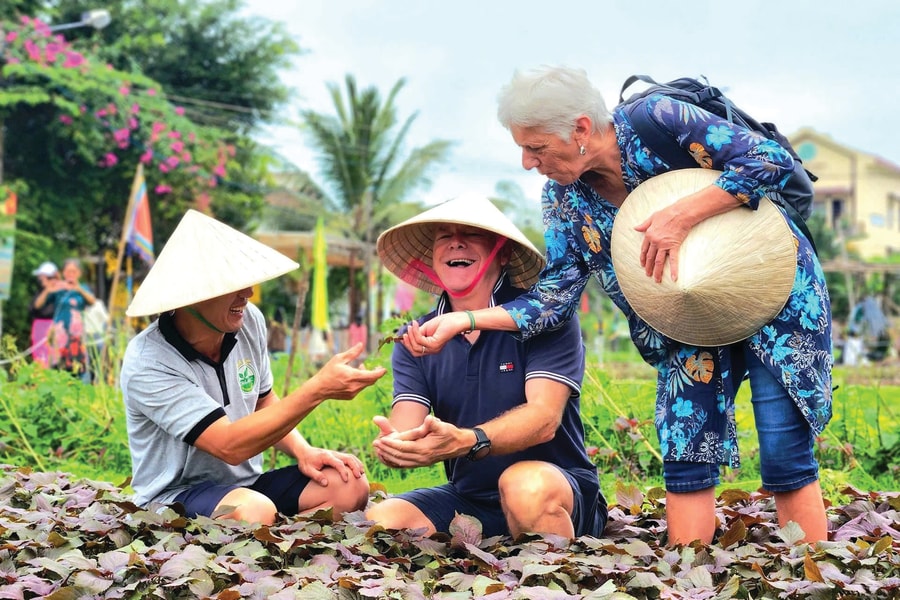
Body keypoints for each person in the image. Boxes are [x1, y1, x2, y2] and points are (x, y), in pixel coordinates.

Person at [402, 66, 833, 545]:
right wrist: (463, 319)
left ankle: (812, 575)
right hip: (683, 315)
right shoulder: (565, 198)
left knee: (782, 443)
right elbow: (553, 298)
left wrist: (680, 214)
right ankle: (688, 571)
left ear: (582, 129)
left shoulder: (658, 119)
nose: (527, 162)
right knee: (686, 442)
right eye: (522, 148)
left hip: (770, 288)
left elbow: (768, 159)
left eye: (537, 147)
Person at [120, 209, 386, 525]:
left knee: (349, 485)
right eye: (232, 286)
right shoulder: (148, 362)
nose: (247, 294)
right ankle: (270, 531)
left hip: (247, 487)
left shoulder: (248, 322)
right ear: (191, 296)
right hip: (175, 496)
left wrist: (304, 451)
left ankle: (277, 538)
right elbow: (228, 445)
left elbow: (263, 402)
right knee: (253, 511)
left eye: (246, 283)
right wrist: (317, 390)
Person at [366, 195, 607, 540]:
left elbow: (544, 420)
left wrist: (469, 440)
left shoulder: (546, 320)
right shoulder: (415, 338)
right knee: (383, 520)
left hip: (555, 487)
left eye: (471, 234)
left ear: (503, 253)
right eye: (444, 236)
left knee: (523, 486)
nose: (456, 243)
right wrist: (398, 445)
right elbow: (407, 426)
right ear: (433, 258)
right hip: (471, 497)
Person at [46, 258, 97, 378]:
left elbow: (92, 301)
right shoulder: (58, 289)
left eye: (74, 272)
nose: (71, 275)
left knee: (77, 365)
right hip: (60, 332)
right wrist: (49, 289)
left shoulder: (83, 288)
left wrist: (78, 288)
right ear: (63, 273)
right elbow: (40, 305)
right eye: (68, 271)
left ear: (79, 273)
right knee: (58, 365)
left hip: (76, 334)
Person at [28, 261, 60, 368]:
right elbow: (35, 306)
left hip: (55, 326)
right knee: (40, 359)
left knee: (55, 358)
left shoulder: (60, 291)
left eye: (42, 277)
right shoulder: (41, 292)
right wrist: (47, 290)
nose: (40, 280)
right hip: (40, 327)